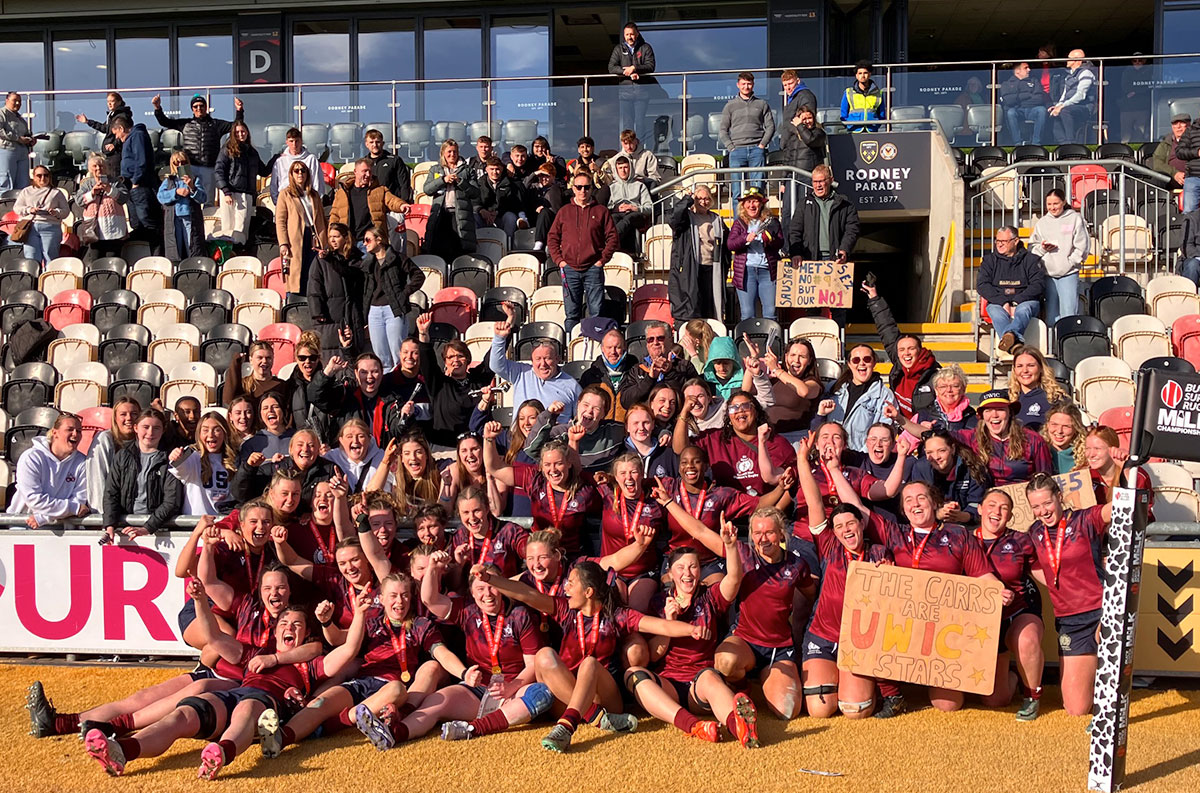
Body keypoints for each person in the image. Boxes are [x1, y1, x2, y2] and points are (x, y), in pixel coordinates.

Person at [468, 559, 699, 754]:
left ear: (588, 592)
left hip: (605, 699)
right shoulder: (565, 610)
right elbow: (527, 594)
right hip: (567, 696)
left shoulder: (617, 616)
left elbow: (657, 626)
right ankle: (595, 719)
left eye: (571, 583)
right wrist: (490, 579)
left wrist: (691, 629)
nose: (565, 588)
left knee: (590, 663)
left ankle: (567, 727)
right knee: (544, 655)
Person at [623, 521, 760, 747]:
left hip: (700, 683)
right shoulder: (659, 601)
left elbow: (734, 579)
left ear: (700, 570)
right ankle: (694, 726)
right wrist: (669, 624)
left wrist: (731, 546)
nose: (687, 573)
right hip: (668, 685)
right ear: (670, 573)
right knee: (634, 674)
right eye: (681, 568)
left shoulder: (709, 597)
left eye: (693, 567)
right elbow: (654, 656)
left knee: (711, 678)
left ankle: (741, 730)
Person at [793, 446, 891, 719]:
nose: (846, 530)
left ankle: (864, 686)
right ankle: (831, 675)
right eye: (839, 527)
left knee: (854, 710)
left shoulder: (880, 553)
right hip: (823, 635)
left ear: (861, 525)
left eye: (851, 524)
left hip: (859, 641)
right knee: (820, 711)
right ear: (833, 532)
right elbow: (814, 503)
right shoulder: (829, 547)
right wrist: (802, 461)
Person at [1025, 472, 1114, 716]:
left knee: (1108, 682)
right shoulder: (1035, 532)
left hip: (1101, 611)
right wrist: (1055, 584)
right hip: (1068, 620)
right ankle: (1095, 685)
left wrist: (1122, 467)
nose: (1043, 511)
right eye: (1036, 506)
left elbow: (1117, 506)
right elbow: (1033, 564)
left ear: (1059, 498)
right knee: (1075, 708)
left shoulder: (1085, 519)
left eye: (1047, 503)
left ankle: (1107, 699)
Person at [712, 507, 813, 720]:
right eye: (757, 533)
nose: (763, 538)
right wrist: (668, 503)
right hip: (745, 641)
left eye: (769, 532)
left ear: (781, 534)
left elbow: (812, 595)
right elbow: (702, 534)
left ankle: (767, 678)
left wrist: (799, 628)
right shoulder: (742, 553)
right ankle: (743, 687)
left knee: (787, 712)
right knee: (725, 662)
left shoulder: (796, 564)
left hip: (779, 648)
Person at [974, 489, 1045, 719]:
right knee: (996, 700)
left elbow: (1043, 573)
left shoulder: (1020, 540)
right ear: (980, 509)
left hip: (1018, 611)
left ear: (1011, 516)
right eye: (992, 505)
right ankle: (1013, 674)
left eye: (1004, 508)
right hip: (981, 622)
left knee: (1027, 639)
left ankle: (1032, 696)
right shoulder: (964, 539)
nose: (997, 512)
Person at [547, 170, 619, 334]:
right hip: (569, 269)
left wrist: (602, 260)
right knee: (571, 314)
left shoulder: (601, 211)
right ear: (573, 188)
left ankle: (594, 347)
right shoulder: (564, 211)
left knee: (597, 313)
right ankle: (572, 349)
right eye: (579, 187)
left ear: (592, 189)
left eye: (586, 187)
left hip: (593, 269)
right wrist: (559, 261)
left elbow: (613, 238)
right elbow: (552, 238)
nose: (582, 191)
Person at [684, 391, 794, 498]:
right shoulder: (715, 439)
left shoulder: (777, 443)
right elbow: (681, 448)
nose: (740, 411)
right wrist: (684, 412)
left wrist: (775, 511)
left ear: (756, 412)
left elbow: (789, 486)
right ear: (729, 418)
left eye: (746, 406)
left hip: (769, 510)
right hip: (731, 511)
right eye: (733, 408)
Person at [102, 408, 183, 540]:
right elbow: (111, 493)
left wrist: (147, 528)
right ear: (135, 428)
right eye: (145, 427)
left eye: (156, 428)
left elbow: (172, 501)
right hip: (126, 527)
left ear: (163, 430)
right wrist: (110, 525)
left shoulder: (170, 458)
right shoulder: (122, 455)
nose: (150, 433)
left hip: (158, 528)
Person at [152, 92, 244, 205]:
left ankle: (207, 223)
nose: (199, 108)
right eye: (195, 106)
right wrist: (157, 108)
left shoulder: (216, 124)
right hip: (190, 167)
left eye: (201, 106)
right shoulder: (185, 124)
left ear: (206, 107)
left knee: (208, 201)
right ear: (192, 109)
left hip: (209, 168)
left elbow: (235, 126)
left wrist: (239, 110)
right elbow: (165, 122)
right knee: (189, 198)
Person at [865, 281, 938, 419]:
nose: (906, 353)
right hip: (900, 428)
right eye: (902, 350)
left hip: (923, 431)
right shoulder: (899, 363)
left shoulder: (935, 377)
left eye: (911, 349)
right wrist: (874, 299)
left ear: (920, 351)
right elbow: (887, 328)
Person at [7, 414, 88, 528]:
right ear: (55, 433)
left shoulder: (82, 461)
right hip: (25, 528)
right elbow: (35, 500)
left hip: (64, 531)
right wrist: (72, 509)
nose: (75, 434)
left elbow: (79, 502)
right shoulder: (31, 458)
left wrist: (44, 518)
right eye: (70, 429)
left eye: (79, 431)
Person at [957, 389, 1053, 485]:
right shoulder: (971, 437)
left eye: (1000, 409)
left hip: (1022, 496)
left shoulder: (1033, 440)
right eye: (988, 410)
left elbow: (1046, 479)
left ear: (1010, 412)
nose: (994, 415)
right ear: (982, 415)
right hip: (985, 497)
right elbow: (944, 436)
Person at [814, 344, 898, 452]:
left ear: (874, 363)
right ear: (849, 364)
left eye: (867, 359)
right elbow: (819, 425)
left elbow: (885, 433)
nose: (861, 363)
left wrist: (861, 459)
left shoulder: (885, 396)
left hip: (860, 460)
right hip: (830, 455)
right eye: (856, 360)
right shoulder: (833, 388)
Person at [361, 225, 423, 371]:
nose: (365, 243)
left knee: (398, 354)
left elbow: (418, 275)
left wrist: (404, 293)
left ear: (379, 239)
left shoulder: (397, 258)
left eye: (368, 240)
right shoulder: (368, 263)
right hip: (374, 311)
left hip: (393, 309)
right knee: (380, 356)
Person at [977, 225, 1045, 352]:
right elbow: (982, 285)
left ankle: (1010, 338)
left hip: (1026, 300)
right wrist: (1003, 302)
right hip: (998, 302)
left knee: (1023, 310)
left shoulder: (1031, 260)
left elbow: (1038, 285)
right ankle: (1014, 344)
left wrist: (1016, 301)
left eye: (1004, 241)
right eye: (998, 241)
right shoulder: (989, 261)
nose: (1000, 244)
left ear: (1016, 241)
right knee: (995, 312)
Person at [668, 186, 728, 323]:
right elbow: (674, 219)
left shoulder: (716, 219)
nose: (703, 202)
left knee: (709, 310)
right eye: (699, 198)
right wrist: (686, 200)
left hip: (712, 268)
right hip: (691, 268)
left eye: (706, 198)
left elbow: (726, 244)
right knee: (692, 309)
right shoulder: (686, 218)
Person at [907, 428, 991, 525]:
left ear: (953, 449)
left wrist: (961, 515)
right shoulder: (920, 469)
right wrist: (937, 514)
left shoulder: (972, 467)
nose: (936, 457)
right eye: (930, 452)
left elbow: (978, 503)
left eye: (942, 451)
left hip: (967, 524)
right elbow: (916, 504)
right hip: (932, 523)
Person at [1029, 188, 1088, 325]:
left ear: (1064, 202)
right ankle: (1052, 344)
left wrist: (1071, 262)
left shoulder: (1075, 218)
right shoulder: (1042, 223)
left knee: (1069, 313)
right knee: (1051, 315)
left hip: (1069, 273)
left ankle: (1068, 344)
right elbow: (1032, 247)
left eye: (1055, 203)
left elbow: (1083, 245)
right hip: (1048, 274)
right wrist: (1043, 249)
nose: (1052, 207)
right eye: (1049, 204)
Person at [309, 222, 367, 356]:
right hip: (330, 314)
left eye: (336, 236)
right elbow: (314, 287)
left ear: (346, 238)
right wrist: (317, 312)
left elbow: (356, 279)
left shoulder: (357, 260)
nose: (333, 240)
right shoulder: (321, 261)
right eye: (330, 237)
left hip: (353, 315)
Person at [728, 187, 784, 322]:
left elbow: (781, 243)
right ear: (743, 205)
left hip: (768, 272)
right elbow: (730, 244)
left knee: (770, 313)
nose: (751, 205)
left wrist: (769, 240)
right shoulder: (739, 223)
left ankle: (771, 343)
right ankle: (747, 343)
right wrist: (745, 238)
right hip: (746, 273)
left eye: (755, 202)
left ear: (761, 204)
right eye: (748, 202)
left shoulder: (771, 222)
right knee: (747, 314)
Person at [168, 412, 238, 516]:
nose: (211, 434)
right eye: (205, 430)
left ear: (224, 433)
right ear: (199, 433)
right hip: (196, 522)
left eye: (217, 430)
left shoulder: (235, 457)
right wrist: (175, 456)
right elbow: (179, 470)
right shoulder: (192, 454)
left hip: (224, 523)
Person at [213, 121, 270, 248]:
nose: (240, 134)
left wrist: (276, 158)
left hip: (247, 194)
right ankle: (228, 253)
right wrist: (226, 191)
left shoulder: (252, 153)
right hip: (230, 193)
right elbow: (219, 171)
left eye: (243, 131)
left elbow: (264, 171)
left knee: (242, 227)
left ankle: (240, 251)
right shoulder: (227, 150)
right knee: (228, 228)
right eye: (237, 132)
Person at [275, 160, 328, 297]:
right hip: (295, 239)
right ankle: (295, 304)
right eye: (296, 171)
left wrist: (325, 242)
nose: (300, 173)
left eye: (303, 170)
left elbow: (322, 218)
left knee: (314, 272)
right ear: (291, 174)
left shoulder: (314, 195)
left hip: (313, 237)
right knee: (296, 272)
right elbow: (280, 221)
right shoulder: (285, 194)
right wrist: (283, 243)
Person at [330, 158, 410, 249]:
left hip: (370, 243)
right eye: (365, 171)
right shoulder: (342, 193)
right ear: (355, 171)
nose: (368, 175)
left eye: (370, 172)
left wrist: (401, 205)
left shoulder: (379, 190)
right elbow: (334, 215)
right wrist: (331, 236)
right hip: (348, 242)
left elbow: (392, 201)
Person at [719, 72, 774, 201]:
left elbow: (770, 126)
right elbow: (722, 129)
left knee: (757, 191)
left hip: (757, 149)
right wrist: (731, 147)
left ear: (753, 84)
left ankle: (757, 220)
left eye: (749, 84)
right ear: (738, 85)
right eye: (743, 84)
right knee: (737, 192)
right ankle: (738, 221)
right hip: (737, 151)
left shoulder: (762, 104)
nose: (746, 87)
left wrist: (762, 145)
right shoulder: (730, 106)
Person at [111, 116, 162, 255]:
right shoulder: (130, 139)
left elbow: (142, 160)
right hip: (131, 187)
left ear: (121, 128)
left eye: (116, 133)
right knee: (137, 223)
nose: (117, 137)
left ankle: (156, 255)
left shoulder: (137, 136)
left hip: (140, 187)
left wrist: (136, 181)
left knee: (147, 222)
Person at [423, 140, 479, 260]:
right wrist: (442, 180)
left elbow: (475, 193)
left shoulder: (467, 170)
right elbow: (427, 189)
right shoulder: (435, 169)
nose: (452, 154)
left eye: (455, 151)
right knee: (438, 249)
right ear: (443, 153)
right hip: (440, 214)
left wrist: (460, 182)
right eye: (449, 151)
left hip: (460, 214)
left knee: (458, 249)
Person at [617, 321, 690, 409]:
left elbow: (690, 396)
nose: (655, 343)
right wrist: (650, 379)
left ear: (670, 340)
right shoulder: (637, 369)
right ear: (647, 344)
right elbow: (626, 402)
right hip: (646, 419)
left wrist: (670, 372)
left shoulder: (685, 366)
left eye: (660, 338)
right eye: (650, 339)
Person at [1082, 426, 1153, 515]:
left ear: (1113, 449)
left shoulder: (1136, 475)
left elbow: (1143, 514)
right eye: (1087, 448)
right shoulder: (1082, 477)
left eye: (1097, 449)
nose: (1091, 454)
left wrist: (1126, 472)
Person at [764, 338, 821, 443]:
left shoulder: (813, 382)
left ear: (809, 361)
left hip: (795, 437)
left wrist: (777, 370)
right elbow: (747, 389)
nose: (796, 360)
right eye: (793, 355)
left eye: (802, 357)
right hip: (769, 435)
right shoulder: (774, 378)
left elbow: (804, 391)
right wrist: (753, 365)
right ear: (786, 357)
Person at [74, 154, 129, 262]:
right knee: (95, 259)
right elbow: (79, 201)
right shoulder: (87, 184)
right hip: (94, 229)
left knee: (113, 259)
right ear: (90, 169)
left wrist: (109, 189)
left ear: (106, 168)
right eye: (95, 166)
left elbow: (124, 198)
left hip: (114, 228)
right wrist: (92, 192)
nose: (98, 168)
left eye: (101, 166)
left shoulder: (116, 182)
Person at [608, 22, 657, 142]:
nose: (629, 37)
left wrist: (635, 68)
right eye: (627, 34)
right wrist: (626, 72)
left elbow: (650, 66)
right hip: (625, 93)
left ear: (637, 34)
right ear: (624, 35)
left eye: (632, 34)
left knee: (640, 123)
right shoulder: (619, 49)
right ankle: (627, 148)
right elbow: (611, 67)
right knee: (627, 124)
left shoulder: (645, 47)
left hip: (642, 93)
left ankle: (639, 147)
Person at [157, 150, 208, 262]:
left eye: (183, 163)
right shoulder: (169, 180)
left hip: (190, 218)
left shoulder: (195, 179)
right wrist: (175, 192)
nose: (180, 165)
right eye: (177, 163)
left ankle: (193, 267)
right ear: (172, 165)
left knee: (192, 245)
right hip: (174, 219)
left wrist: (192, 188)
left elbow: (203, 198)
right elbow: (160, 197)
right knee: (175, 248)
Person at [13, 166, 69, 264]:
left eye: (46, 175)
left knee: (50, 257)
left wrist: (56, 212)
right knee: (31, 258)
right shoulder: (26, 191)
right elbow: (17, 208)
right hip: (31, 227)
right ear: (34, 177)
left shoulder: (56, 192)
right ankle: (34, 279)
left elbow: (66, 211)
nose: (43, 178)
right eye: (39, 176)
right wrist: (29, 209)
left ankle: (48, 278)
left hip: (50, 227)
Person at [579, 328, 637, 421]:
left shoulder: (636, 373)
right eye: (609, 347)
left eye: (617, 347)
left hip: (628, 431)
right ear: (602, 348)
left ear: (625, 347)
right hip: (599, 432)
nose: (613, 352)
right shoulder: (590, 376)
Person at [1007, 346, 1068, 431]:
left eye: (1031, 365)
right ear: (1014, 370)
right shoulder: (1006, 398)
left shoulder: (1056, 398)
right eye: (1020, 366)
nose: (1025, 370)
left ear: (1041, 368)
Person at [778, 104, 825, 212]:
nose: (807, 121)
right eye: (804, 119)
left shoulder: (819, 133)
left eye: (810, 118)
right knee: (787, 211)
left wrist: (800, 125)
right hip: (792, 178)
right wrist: (783, 181)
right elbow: (788, 159)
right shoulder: (793, 137)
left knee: (806, 210)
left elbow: (810, 140)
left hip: (807, 177)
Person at [76, 92, 132, 178]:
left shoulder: (121, 116)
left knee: (115, 177)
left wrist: (115, 144)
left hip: (116, 153)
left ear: (119, 102)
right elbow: (104, 128)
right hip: (110, 153)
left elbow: (125, 133)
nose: (109, 104)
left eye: (112, 101)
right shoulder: (112, 116)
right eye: (108, 101)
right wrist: (88, 122)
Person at [1048, 50, 1097, 144]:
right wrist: (1058, 105)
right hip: (1069, 106)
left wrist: (1062, 106)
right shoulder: (1069, 75)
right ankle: (1063, 143)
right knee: (1052, 113)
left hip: (1085, 107)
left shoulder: (1086, 73)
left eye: (1069, 58)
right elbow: (1064, 94)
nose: (1066, 60)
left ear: (1077, 60)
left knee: (1065, 111)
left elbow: (1081, 95)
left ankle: (1071, 142)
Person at [606, 154, 652, 253]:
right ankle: (620, 250)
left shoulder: (640, 186)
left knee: (629, 218)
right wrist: (615, 208)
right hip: (618, 212)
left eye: (626, 167)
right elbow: (607, 207)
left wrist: (634, 207)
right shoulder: (611, 187)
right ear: (616, 170)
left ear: (630, 168)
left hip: (636, 214)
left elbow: (649, 207)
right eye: (620, 168)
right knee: (613, 219)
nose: (623, 170)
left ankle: (611, 242)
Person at [475, 156, 527, 243]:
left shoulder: (510, 184)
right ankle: (477, 246)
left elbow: (513, 204)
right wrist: (481, 210)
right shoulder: (480, 183)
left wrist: (497, 212)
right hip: (484, 217)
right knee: (474, 217)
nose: (495, 172)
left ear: (502, 169)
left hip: (501, 217)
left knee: (510, 217)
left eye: (497, 169)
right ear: (486, 169)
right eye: (492, 169)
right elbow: (474, 200)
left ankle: (507, 245)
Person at [223, 341, 290, 407]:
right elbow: (228, 400)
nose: (264, 361)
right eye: (259, 358)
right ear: (251, 360)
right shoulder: (244, 384)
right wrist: (236, 363)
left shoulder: (282, 385)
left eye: (268, 358)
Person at [269, 128, 322, 204]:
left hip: (307, 200)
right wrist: (277, 202)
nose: (294, 145)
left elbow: (317, 183)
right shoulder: (280, 161)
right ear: (286, 142)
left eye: (297, 141)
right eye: (291, 141)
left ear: (301, 141)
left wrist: (315, 202)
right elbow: (274, 184)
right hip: (286, 200)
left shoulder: (311, 159)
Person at [1000, 62, 1048, 145]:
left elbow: (1039, 99)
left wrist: (1017, 99)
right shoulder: (1006, 84)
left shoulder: (1034, 81)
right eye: (1026, 68)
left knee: (1041, 110)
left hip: (1032, 110)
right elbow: (1008, 100)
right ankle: (1017, 142)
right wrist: (1027, 95)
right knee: (1011, 112)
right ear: (1017, 71)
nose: (1029, 70)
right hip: (1017, 110)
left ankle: (1036, 143)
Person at [364, 127, 413, 201]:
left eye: (378, 142)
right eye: (371, 142)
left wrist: (403, 203)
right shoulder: (363, 163)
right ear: (366, 144)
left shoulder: (394, 160)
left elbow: (404, 185)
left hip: (392, 203)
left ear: (382, 143)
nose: (375, 145)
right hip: (371, 203)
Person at [525, 162, 564, 250]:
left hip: (549, 217)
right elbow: (523, 187)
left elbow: (556, 208)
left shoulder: (556, 190)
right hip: (533, 215)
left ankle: (539, 244)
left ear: (553, 177)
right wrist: (534, 174)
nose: (544, 179)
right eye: (542, 176)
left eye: (547, 176)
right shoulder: (534, 187)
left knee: (545, 212)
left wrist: (544, 208)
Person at [0, 91, 33, 191]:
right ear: (7, 100)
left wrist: (31, 139)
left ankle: (21, 204)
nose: (18, 103)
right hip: (7, 149)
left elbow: (26, 132)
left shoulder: (19, 117)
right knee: (6, 179)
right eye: (15, 100)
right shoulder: (2, 113)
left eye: (19, 101)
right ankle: (5, 204)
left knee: (23, 182)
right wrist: (17, 138)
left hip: (22, 152)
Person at [840, 61, 886, 132]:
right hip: (854, 130)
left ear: (869, 74)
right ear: (856, 76)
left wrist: (876, 125)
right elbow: (843, 114)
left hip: (872, 130)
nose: (863, 76)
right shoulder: (848, 92)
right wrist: (848, 125)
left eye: (865, 73)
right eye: (860, 73)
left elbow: (882, 114)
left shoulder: (878, 93)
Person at [1042, 402, 1087, 474]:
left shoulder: (1085, 454)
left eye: (1066, 426)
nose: (1059, 431)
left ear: (1075, 429)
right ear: (1047, 425)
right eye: (1054, 424)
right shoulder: (1038, 450)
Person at [1151, 113, 1189, 187]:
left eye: (1182, 123)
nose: (1178, 126)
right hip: (1171, 179)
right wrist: (1174, 173)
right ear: (1172, 127)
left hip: (1192, 179)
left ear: (1189, 125)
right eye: (1175, 123)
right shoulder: (1165, 144)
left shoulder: (1196, 142)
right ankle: (1159, 199)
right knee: (1158, 178)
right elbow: (1157, 163)